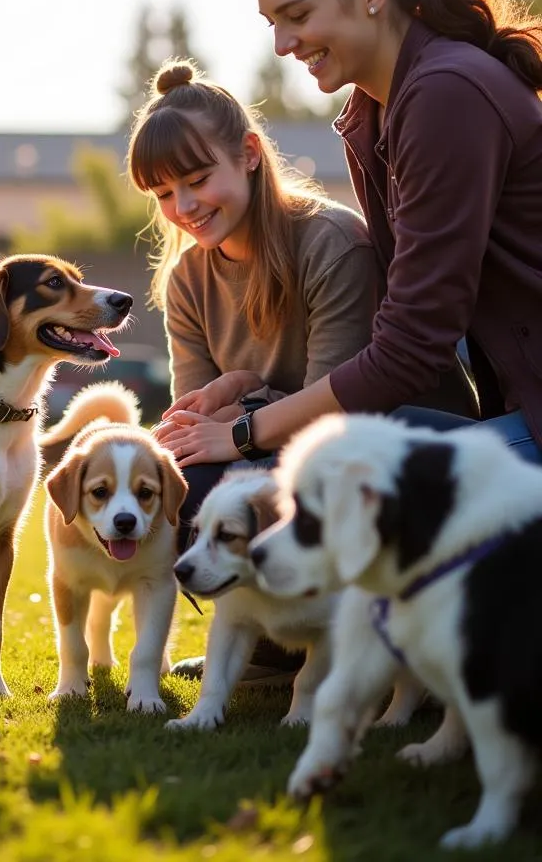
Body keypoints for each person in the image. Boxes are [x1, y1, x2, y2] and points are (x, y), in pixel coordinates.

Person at [167, 0, 542, 471]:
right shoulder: (373, 116)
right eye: (272, 23)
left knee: (333, 464)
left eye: (297, 15)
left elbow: (411, 346)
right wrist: (247, 389)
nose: (282, 44)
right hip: (514, 411)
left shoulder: (447, 95)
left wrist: (247, 431)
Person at [126, 59, 381, 681]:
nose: (183, 206)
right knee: (182, 487)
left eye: (196, 179)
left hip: (367, 447)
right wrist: (229, 399)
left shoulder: (330, 242)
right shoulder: (187, 278)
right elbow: (195, 422)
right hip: (265, 442)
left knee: (261, 486)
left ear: (247, 154)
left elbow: (339, 404)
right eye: (163, 194)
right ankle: (268, 643)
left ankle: (353, 641)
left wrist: (241, 411)